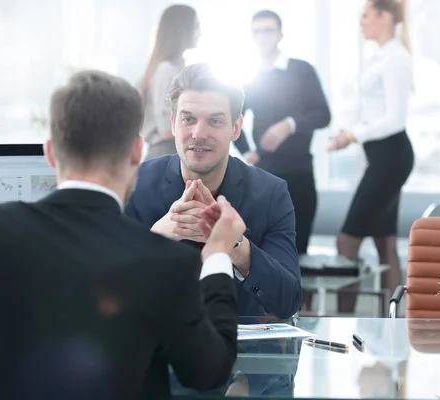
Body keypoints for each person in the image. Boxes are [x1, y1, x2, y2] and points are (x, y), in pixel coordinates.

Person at [0, 70, 243, 400]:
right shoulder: (165, 262)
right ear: (135, 153)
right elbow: (208, 375)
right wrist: (219, 256)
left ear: (50, 152)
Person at [126, 63, 302, 319]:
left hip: (240, 350)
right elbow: (101, 295)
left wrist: (234, 244)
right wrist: (156, 239)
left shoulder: (271, 194)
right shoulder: (134, 185)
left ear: (235, 127)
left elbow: (288, 302)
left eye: (215, 121)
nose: (199, 134)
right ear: (174, 123)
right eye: (188, 119)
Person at [328, 0, 414, 314]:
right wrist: (349, 135)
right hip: (382, 157)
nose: (361, 23)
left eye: (365, 16)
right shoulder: (382, 57)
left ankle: (340, 324)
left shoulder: (396, 58)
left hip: (392, 158)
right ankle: (391, 326)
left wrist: (352, 135)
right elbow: (375, 116)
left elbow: (395, 120)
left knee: (346, 242)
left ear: (383, 16)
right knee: (385, 243)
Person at [233, 9, 331, 256]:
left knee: (298, 255)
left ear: (280, 34)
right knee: (263, 253)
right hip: (264, 175)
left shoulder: (301, 70)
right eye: (257, 32)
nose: (262, 37)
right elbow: (233, 117)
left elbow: (323, 114)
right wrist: (246, 151)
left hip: (300, 174)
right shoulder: (252, 78)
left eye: (268, 30)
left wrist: (289, 124)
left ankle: (301, 297)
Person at [140, 4, 201, 160]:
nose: (199, 33)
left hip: (172, 150)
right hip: (164, 152)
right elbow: (166, 130)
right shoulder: (166, 70)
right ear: (181, 30)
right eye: (195, 27)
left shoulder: (178, 67)